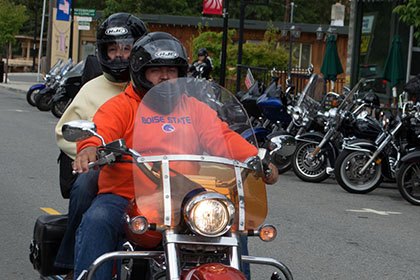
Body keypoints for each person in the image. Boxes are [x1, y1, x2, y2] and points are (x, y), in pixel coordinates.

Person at [72, 32, 278, 280]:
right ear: (140, 73)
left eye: (172, 70)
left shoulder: (193, 108)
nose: (165, 76)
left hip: (185, 195)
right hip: (128, 195)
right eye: (156, 70)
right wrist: (90, 147)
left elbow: (222, 138)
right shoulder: (122, 106)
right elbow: (101, 132)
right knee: (99, 218)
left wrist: (257, 159)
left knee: (230, 221)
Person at [54, 12, 147, 274]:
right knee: (85, 186)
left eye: (127, 49)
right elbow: (63, 131)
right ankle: (71, 259)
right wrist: (94, 153)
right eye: (113, 49)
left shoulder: (150, 86)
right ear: (103, 52)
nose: (119, 55)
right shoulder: (92, 88)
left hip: (148, 167)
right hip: (103, 166)